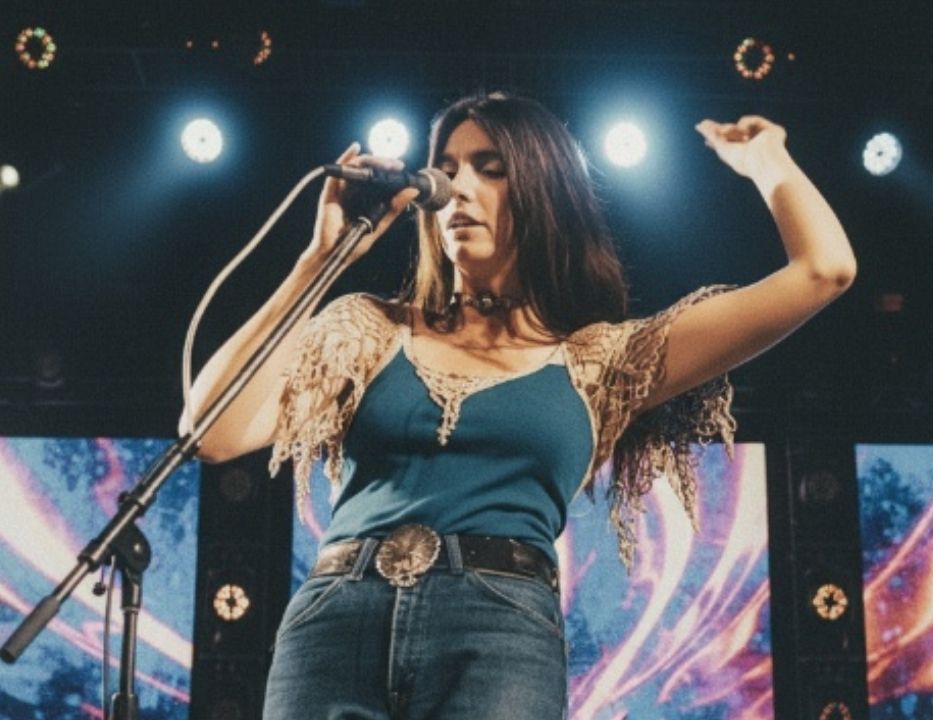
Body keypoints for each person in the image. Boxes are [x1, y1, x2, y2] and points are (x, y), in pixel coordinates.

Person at [183, 92, 856, 719]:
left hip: (497, 630)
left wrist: (765, 158)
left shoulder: (602, 362)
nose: (457, 189)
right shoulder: (371, 329)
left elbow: (823, 270)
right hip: (335, 623)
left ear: (544, 195)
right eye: (447, 168)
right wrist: (318, 261)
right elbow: (211, 431)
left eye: (490, 169)